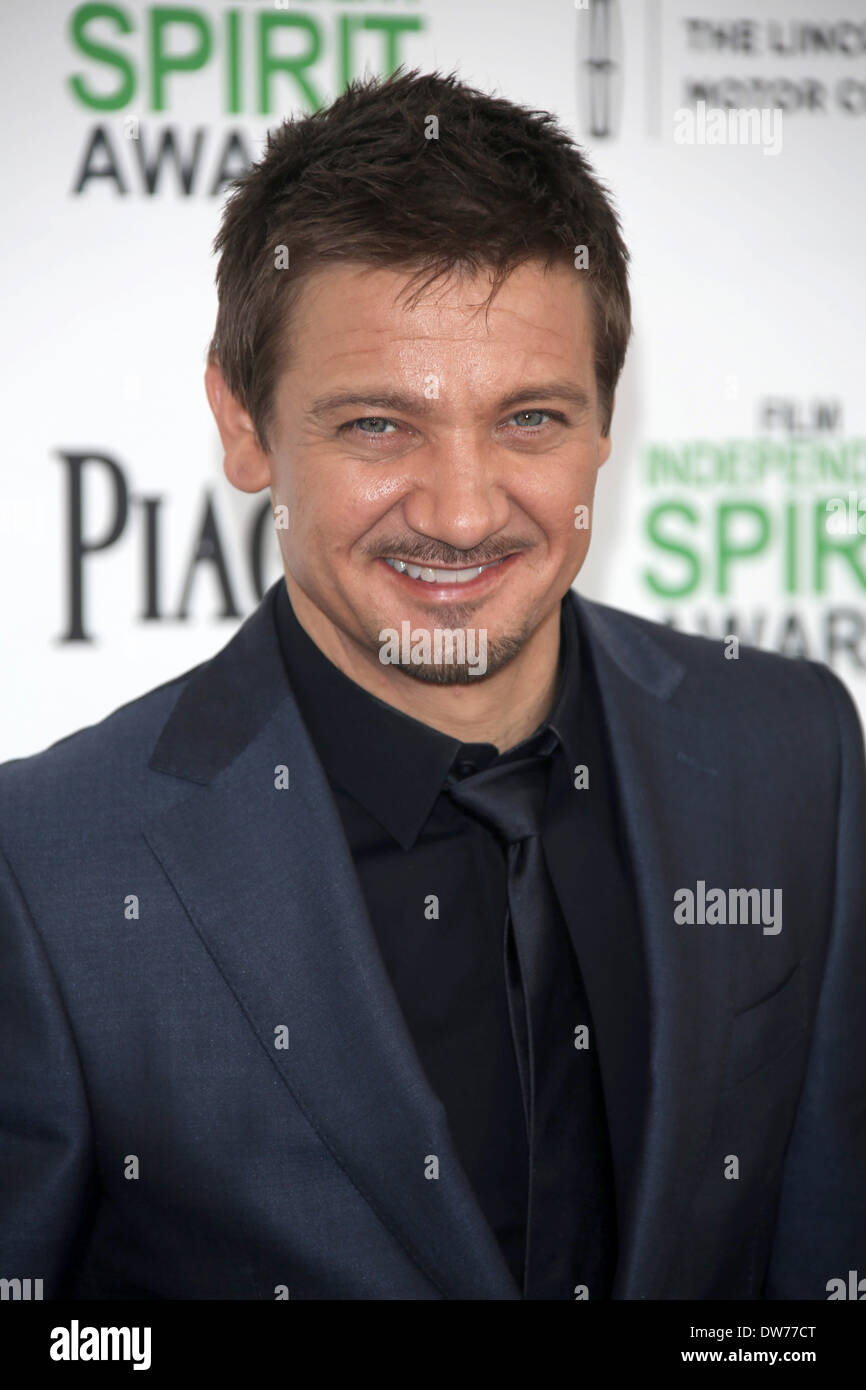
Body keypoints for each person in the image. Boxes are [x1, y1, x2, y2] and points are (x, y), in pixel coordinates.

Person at [1, 68, 863, 1301]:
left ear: (606, 419)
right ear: (244, 427)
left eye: (528, 419)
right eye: (376, 426)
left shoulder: (790, 750)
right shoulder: (45, 870)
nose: (462, 511)